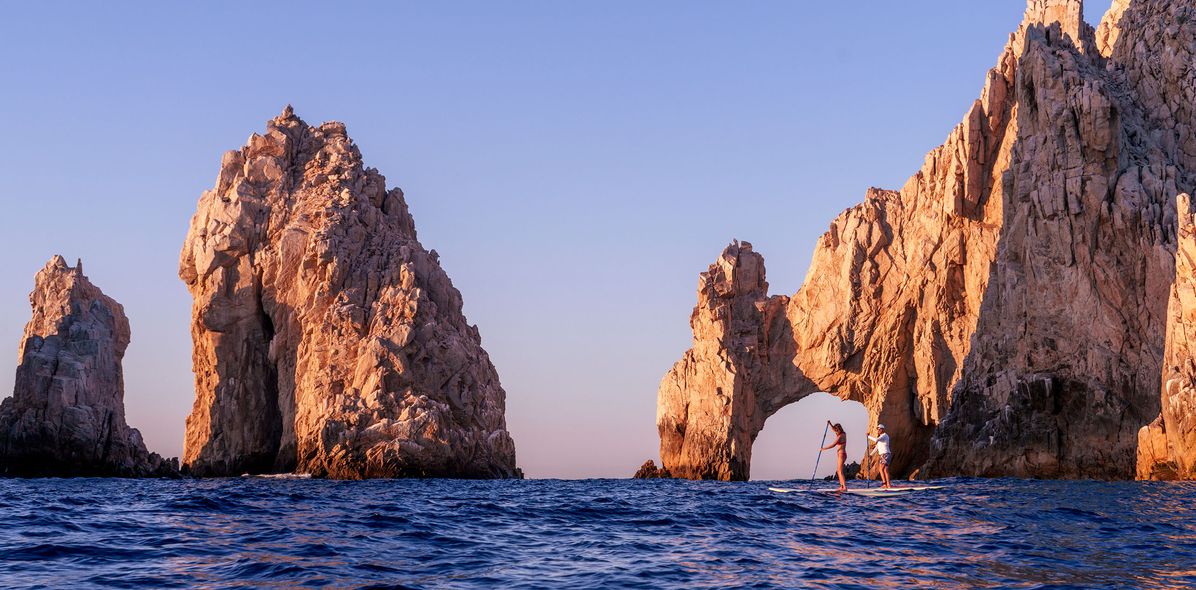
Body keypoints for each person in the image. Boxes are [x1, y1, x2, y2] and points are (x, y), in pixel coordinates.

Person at [820, 421, 848, 491]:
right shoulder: (843, 434)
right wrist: (830, 424)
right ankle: (842, 486)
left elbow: (833, 445)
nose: (835, 432)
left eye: (836, 430)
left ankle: (844, 487)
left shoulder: (839, 437)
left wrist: (824, 449)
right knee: (839, 471)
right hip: (842, 454)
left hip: (841, 454)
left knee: (839, 471)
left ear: (838, 430)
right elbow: (834, 429)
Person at [868, 424, 892, 489]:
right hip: (886, 454)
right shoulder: (881, 438)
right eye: (877, 429)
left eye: (879, 429)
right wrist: (870, 455)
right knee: (885, 470)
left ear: (882, 429)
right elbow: (877, 448)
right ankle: (888, 485)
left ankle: (885, 484)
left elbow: (876, 440)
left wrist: (868, 436)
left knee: (881, 469)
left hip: (885, 454)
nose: (878, 431)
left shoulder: (884, 436)